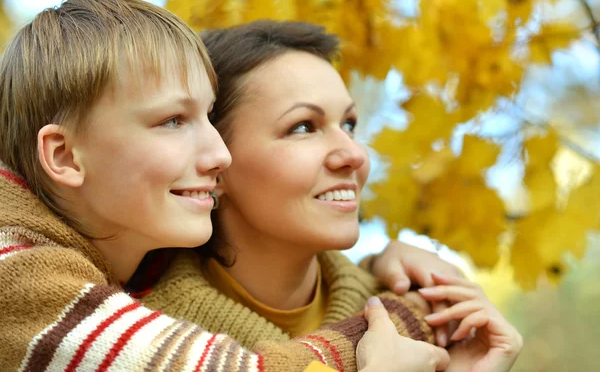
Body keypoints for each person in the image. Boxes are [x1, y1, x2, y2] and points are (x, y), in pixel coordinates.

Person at [0, 0, 452, 372]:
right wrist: (410, 316)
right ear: (64, 156)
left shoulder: (125, 280)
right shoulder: (17, 273)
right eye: (174, 120)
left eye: (350, 124)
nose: (218, 155)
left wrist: (397, 282)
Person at [139, 20, 522, 372]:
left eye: (349, 125)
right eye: (303, 126)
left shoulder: (420, 320)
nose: (354, 154)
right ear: (214, 161)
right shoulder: (133, 337)